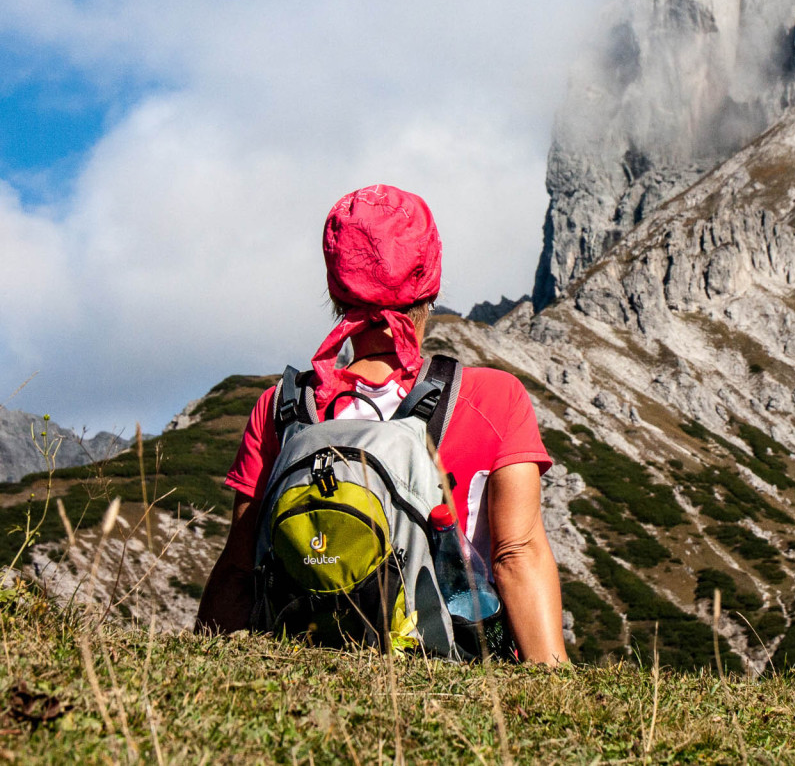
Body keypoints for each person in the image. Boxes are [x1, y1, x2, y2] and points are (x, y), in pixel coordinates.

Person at [195, 185, 568, 665]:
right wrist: (554, 687)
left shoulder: (280, 408)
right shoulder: (492, 397)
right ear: (431, 285)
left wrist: (203, 668)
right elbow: (516, 554)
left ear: (336, 287)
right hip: (453, 678)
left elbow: (238, 571)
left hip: (305, 671)